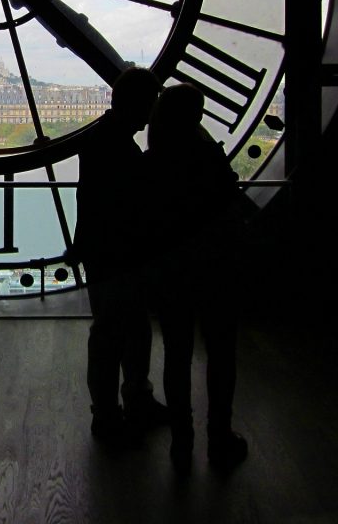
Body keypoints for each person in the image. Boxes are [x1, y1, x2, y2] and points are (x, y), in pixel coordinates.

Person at [145, 82, 249, 473]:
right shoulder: (207, 157)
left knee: (176, 357)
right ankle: (218, 436)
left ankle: (182, 440)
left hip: (172, 273)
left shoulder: (154, 162)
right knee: (221, 356)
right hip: (215, 272)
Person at [72, 66, 168, 447]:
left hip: (105, 253)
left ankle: (109, 412)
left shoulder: (100, 140)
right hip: (122, 254)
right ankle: (128, 403)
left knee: (111, 333)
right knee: (126, 331)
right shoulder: (120, 146)